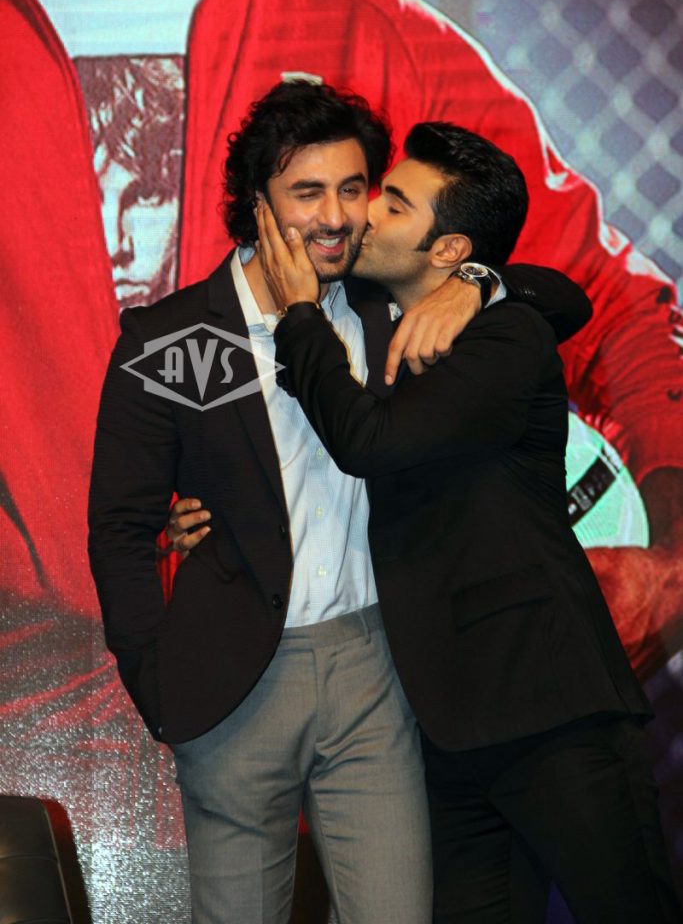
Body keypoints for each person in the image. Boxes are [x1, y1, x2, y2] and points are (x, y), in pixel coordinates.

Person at [88, 80, 590, 923]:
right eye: (306, 192)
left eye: (353, 189)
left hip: (376, 671)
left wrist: (474, 281)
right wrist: (154, 677)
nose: (333, 217)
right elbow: (120, 527)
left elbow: (560, 298)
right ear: (256, 205)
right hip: (234, 681)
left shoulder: (385, 305)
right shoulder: (174, 339)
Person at [258, 120, 683, 924]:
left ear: (447, 248)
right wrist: (482, 278)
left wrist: (304, 318)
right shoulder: (377, 310)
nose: (364, 212)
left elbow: (371, 442)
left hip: (549, 710)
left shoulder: (504, 336)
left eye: (392, 203)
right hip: (447, 728)